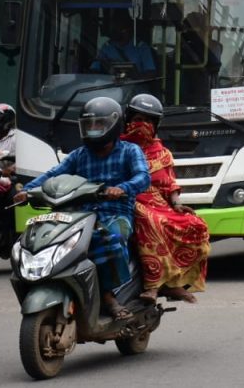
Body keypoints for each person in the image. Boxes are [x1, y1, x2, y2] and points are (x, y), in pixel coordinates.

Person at [15, 97, 150, 319]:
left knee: (111, 239)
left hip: (114, 213)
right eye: (90, 125)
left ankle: (110, 296)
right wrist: (27, 190)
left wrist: (122, 188)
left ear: (114, 125)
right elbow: (53, 174)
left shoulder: (129, 151)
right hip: (78, 214)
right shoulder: (79, 155)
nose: (94, 129)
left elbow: (143, 177)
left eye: (99, 124)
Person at [120, 94, 210, 304]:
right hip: (130, 199)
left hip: (159, 203)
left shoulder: (163, 153)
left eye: (149, 121)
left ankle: (175, 283)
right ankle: (153, 285)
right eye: (138, 119)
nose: (142, 125)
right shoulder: (118, 149)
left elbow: (170, 184)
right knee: (152, 223)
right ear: (127, 120)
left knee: (195, 225)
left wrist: (178, 204)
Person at [91, 16, 156, 76]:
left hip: (135, 86)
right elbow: (94, 69)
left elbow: (151, 73)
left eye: (119, 29)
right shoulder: (107, 47)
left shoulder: (142, 48)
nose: (115, 31)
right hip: (109, 86)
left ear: (129, 30)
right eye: (114, 29)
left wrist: (134, 77)